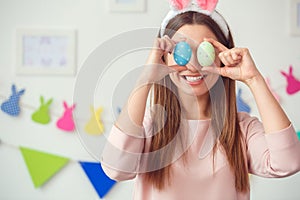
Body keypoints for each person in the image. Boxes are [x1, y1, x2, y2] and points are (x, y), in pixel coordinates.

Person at [101, 0, 300, 199]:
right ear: (163, 58)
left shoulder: (241, 130)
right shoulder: (149, 128)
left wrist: (254, 79)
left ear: (223, 56)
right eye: (181, 52)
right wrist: (146, 78)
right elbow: (115, 169)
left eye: (205, 52)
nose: (194, 65)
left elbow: (288, 163)